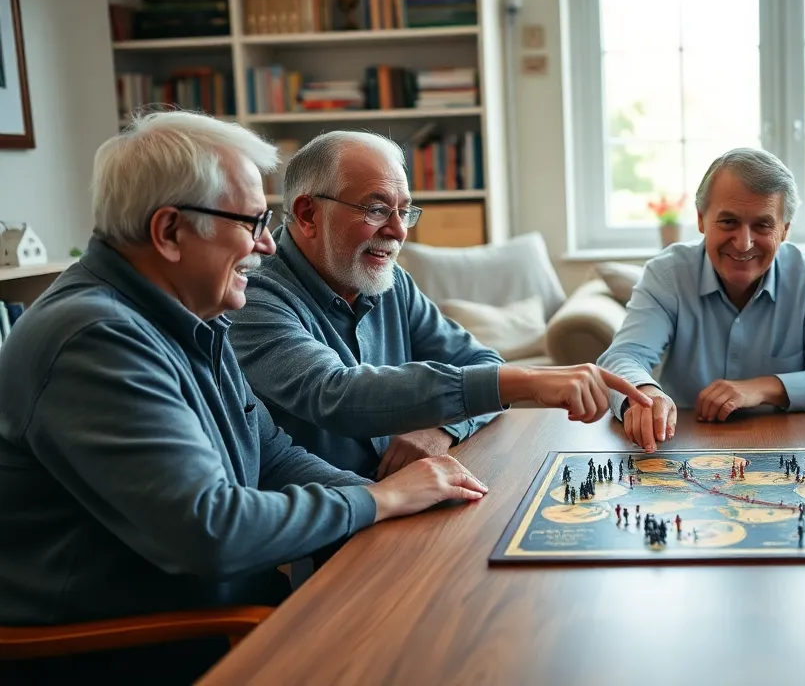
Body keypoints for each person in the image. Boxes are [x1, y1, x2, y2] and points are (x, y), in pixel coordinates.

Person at [0, 113, 486, 682]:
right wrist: (382, 502)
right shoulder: (95, 339)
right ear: (169, 232)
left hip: (231, 607)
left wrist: (404, 499)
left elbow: (272, 455)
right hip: (137, 647)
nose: (267, 245)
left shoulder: (187, 315)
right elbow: (211, 531)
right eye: (252, 222)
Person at [228, 131, 649, 479]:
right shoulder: (252, 294)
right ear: (307, 214)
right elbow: (336, 393)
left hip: (413, 497)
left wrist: (442, 428)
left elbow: (480, 358)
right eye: (376, 209)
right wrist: (526, 381)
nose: (397, 231)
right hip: (327, 529)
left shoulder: (392, 284)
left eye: (405, 212)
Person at [596, 148, 805, 451]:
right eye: (728, 222)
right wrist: (646, 393)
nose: (744, 243)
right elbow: (622, 358)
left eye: (763, 225)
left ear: (785, 229)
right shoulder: (667, 275)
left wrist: (764, 388)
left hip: (788, 445)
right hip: (682, 444)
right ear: (701, 220)